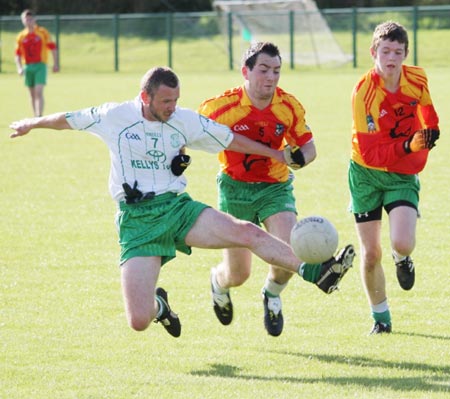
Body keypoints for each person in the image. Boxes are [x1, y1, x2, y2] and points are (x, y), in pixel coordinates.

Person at [9, 66, 355, 338]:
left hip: (177, 209)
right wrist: (31, 124)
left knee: (247, 232)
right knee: (139, 320)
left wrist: (276, 153)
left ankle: (318, 272)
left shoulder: (183, 119)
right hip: (137, 221)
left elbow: (232, 139)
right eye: (165, 102)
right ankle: (161, 306)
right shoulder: (114, 116)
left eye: (175, 100)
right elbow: (67, 119)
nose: (172, 108)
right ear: (144, 97)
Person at [198, 41, 355, 337]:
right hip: (235, 189)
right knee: (238, 274)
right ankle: (219, 282)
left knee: (288, 251)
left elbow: (309, 147)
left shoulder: (288, 106)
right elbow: (190, 131)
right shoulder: (220, 108)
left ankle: (271, 294)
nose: (270, 77)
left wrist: (301, 159)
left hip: (275, 186)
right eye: (264, 70)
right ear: (246, 71)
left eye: (277, 71)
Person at [348, 21, 440, 335]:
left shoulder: (417, 78)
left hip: (402, 174)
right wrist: (406, 144)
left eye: (397, 52)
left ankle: (402, 258)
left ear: (405, 54)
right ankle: (381, 319)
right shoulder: (364, 93)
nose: (391, 58)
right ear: (373, 52)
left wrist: (432, 131)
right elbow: (372, 153)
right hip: (366, 174)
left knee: (402, 241)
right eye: (385, 51)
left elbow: (428, 111)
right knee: (371, 253)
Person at [14, 9, 59, 117]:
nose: (28, 21)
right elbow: (17, 54)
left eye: (30, 19)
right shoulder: (21, 36)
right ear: (22, 20)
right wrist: (19, 68)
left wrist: (56, 63)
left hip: (40, 65)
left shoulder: (42, 32)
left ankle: (39, 116)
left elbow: (52, 48)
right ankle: (35, 116)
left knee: (38, 91)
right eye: (26, 19)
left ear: (34, 19)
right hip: (28, 67)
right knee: (32, 93)